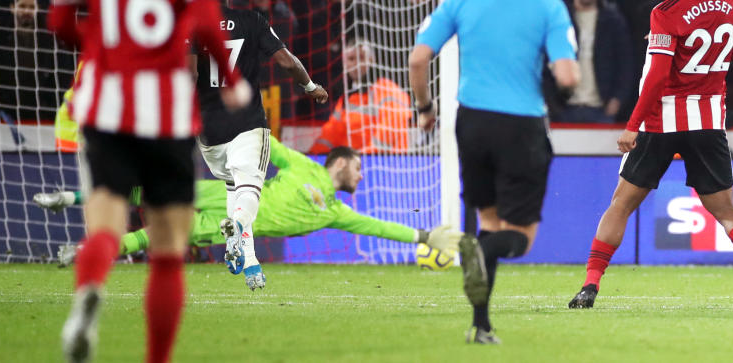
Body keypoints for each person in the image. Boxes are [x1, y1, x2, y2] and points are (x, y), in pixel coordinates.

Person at [47, 0, 251, 363]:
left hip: (106, 104)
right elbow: (207, 25)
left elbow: (58, 21)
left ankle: (90, 288)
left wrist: (102, 46)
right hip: (166, 110)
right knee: (167, 252)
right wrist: (230, 79)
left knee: (107, 223)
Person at [567, 0, 733, 310]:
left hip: (661, 121)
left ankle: (590, 285)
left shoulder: (665, 13)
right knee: (725, 209)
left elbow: (657, 78)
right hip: (709, 119)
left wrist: (632, 124)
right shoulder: (731, 4)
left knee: (621, 205)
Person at [409, 0, 579, 343]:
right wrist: (559, 81)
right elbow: (568, 76)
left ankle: (480, 325)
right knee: (519, 236)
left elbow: (417, 58)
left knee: (488, 219)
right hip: (521, 123)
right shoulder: (547, 2)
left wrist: (425, 108)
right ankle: (481, 253)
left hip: (473, 121)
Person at [36, 136, 461, 265]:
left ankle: (83, 253)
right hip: (227, 192)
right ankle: (69, 197)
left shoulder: (336, 212)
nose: (362, 174)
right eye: (359, 166)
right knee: (148, 191)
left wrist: (424, 234)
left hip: (234, 224)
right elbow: (267, 143)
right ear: (342, 161)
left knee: (156, 233)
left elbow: (379, 227)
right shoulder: (304, 167)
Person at [191, 0, 328, 287]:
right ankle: (236, 227)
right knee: (249, 189)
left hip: (208, 128)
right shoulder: (251, 20)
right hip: (245, 120)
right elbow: (285, 61)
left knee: (234, 187)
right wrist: (309, 86)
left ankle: (249, 262)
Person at [557, 0, 633, 123]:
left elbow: (626, 63)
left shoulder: (613, 21)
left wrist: (617, 99)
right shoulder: (560, 20)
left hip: (601, 108)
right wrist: (553, 104)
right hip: (565, 107)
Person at [310, 37, 411, 154]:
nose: (356, 64)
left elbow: (388, 133)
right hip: (357, 161)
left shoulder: (388, 90)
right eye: (351, 59)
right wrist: (313, 155)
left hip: (385, 162)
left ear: (372, 60)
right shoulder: (348, 98)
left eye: (361, 58)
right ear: (345, 63)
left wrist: (358, 158)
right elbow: (330, 133)